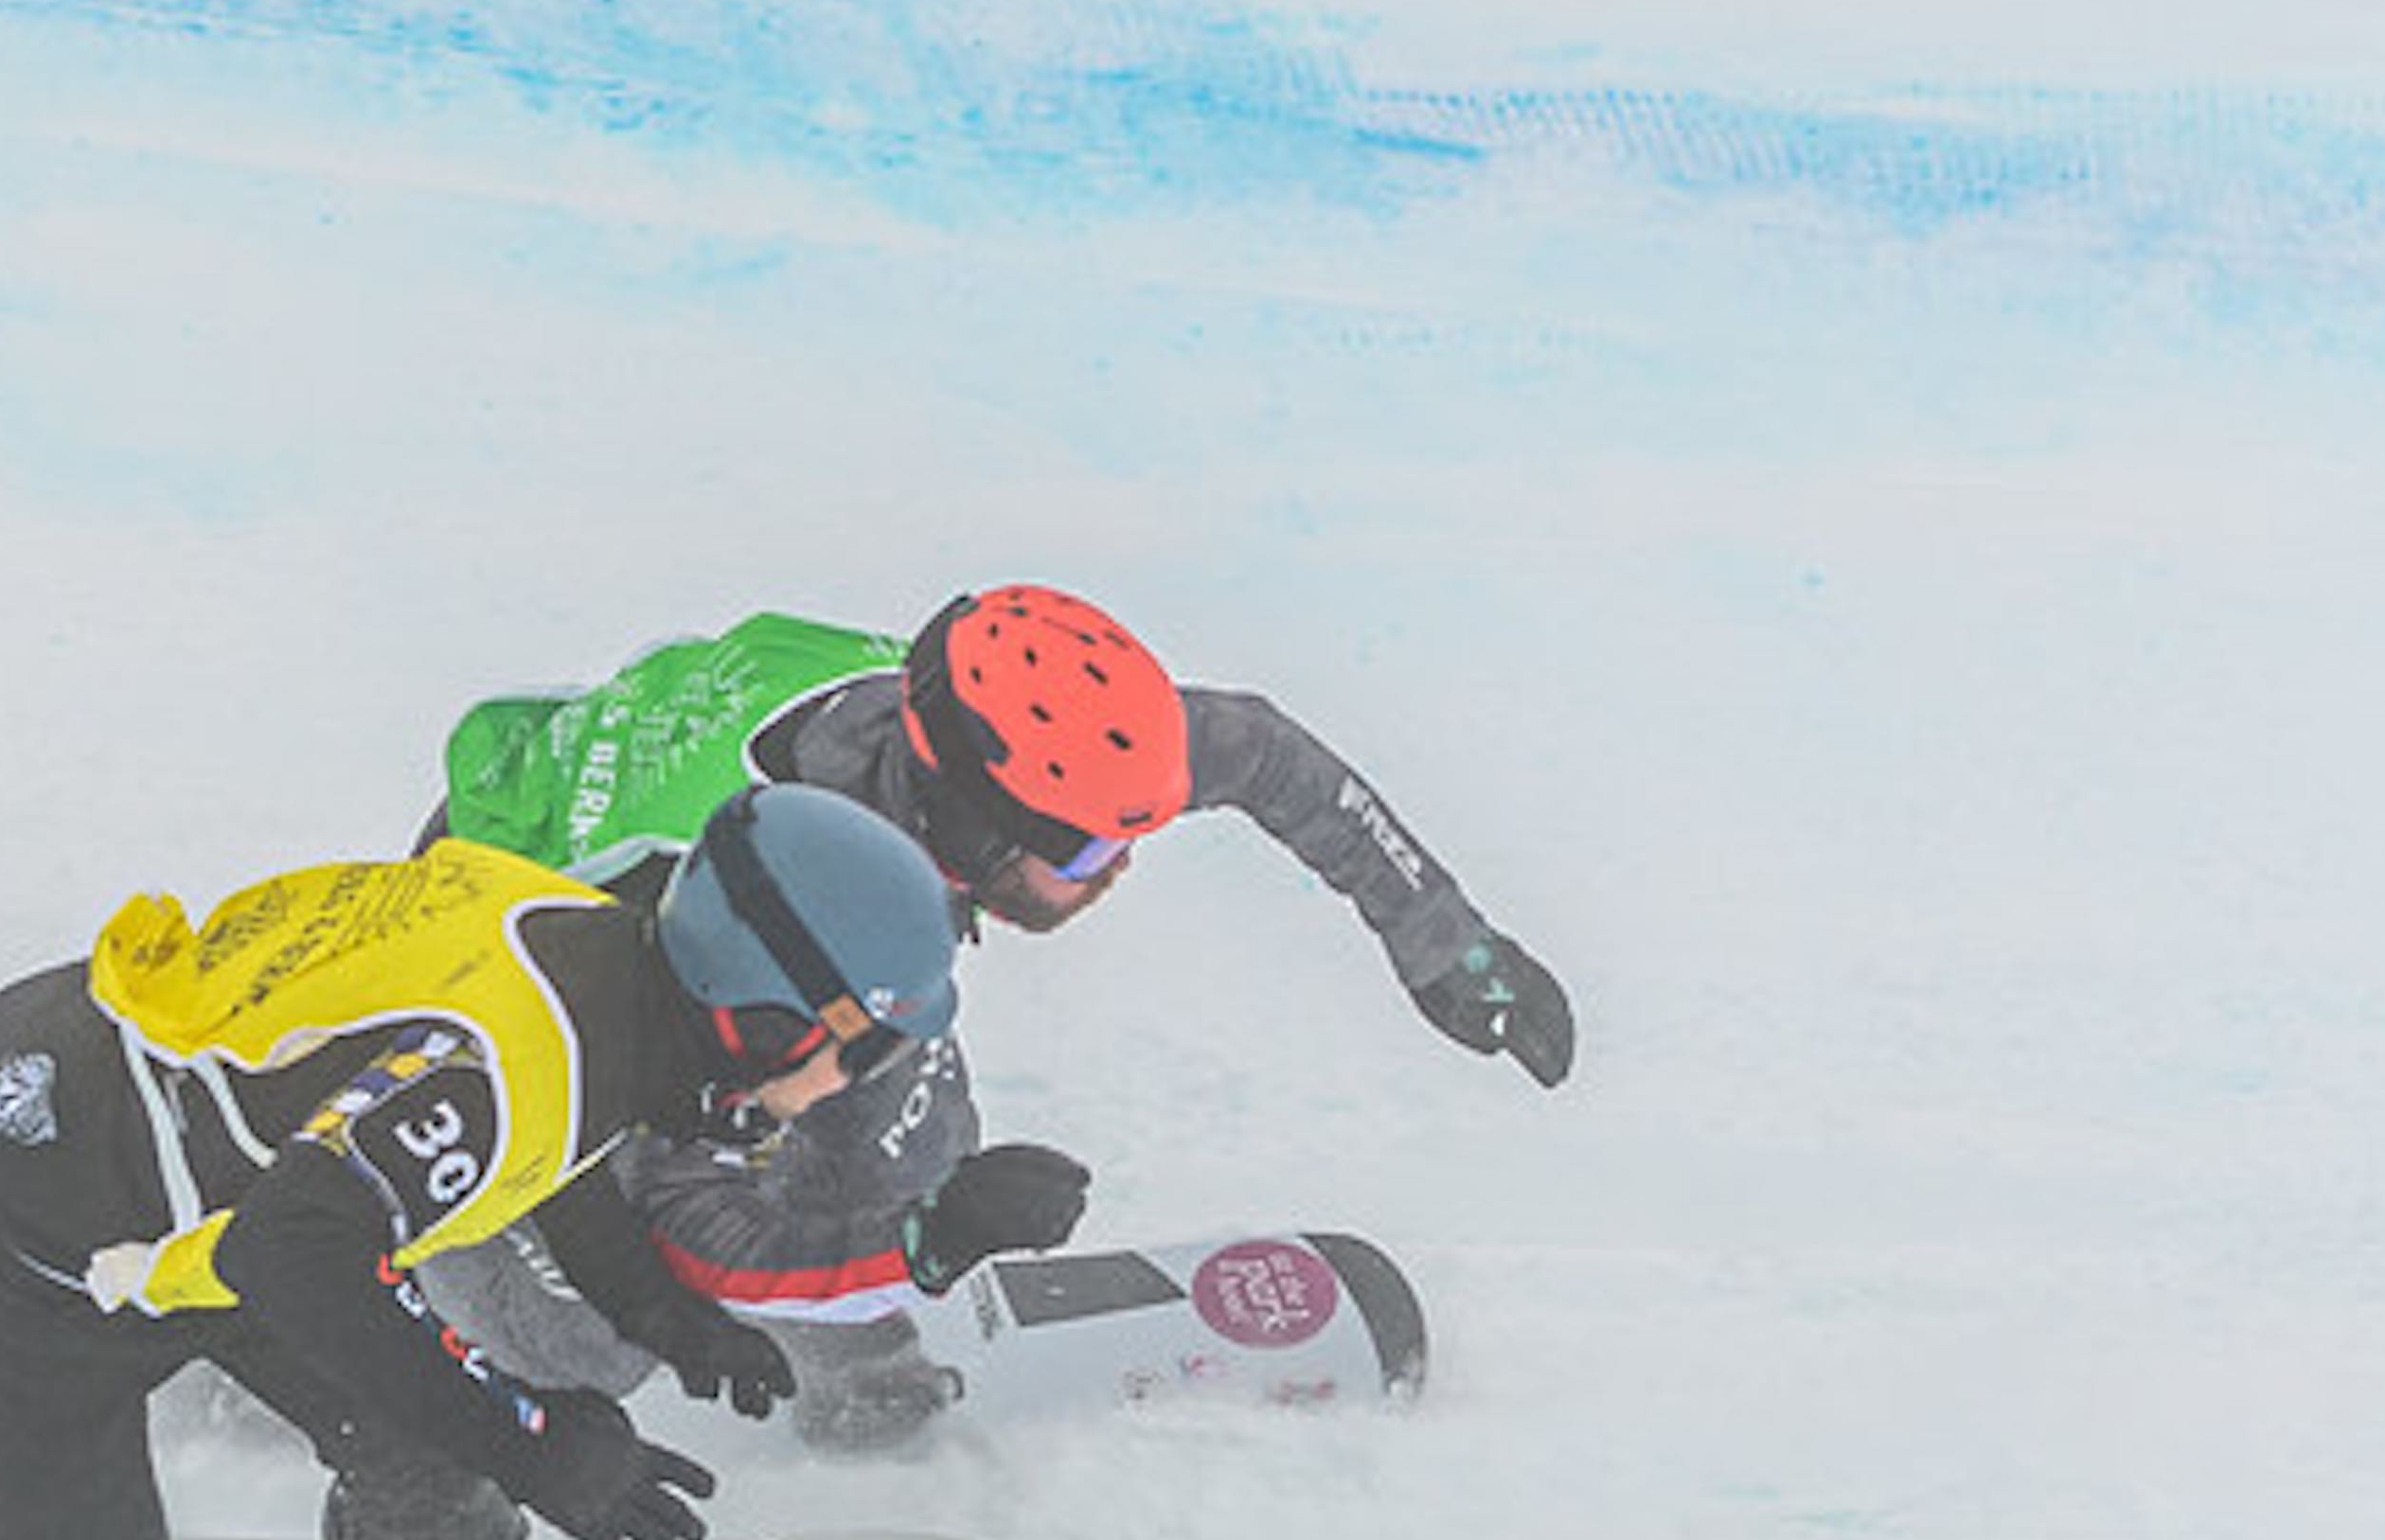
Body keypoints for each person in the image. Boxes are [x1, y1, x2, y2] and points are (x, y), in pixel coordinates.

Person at [0, 782, 967, 1540]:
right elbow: (300, 1255)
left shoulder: (607, 969)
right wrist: (541, 1451)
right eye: (852, 1055)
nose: (844, 1093)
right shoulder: (523, 1055)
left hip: (195, 1193)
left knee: (423, 1421)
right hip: (31, 1217)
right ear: (761, 1014)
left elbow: (548, 1145)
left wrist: (654, 1303)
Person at [419, 585, 1572, 1443]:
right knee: (587, 1332)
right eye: (1086, 845)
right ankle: (388, 1357)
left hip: (765, 916)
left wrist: (1448, 943)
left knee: (900, 1108)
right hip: (507, 983)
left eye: (1133, 832)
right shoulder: (702, 902)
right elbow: (683, 1221)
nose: (1117, 868)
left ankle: (846, 1317)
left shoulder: (975, 728)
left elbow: (1267, 758)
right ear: (964, 824)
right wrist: (914, 1254)